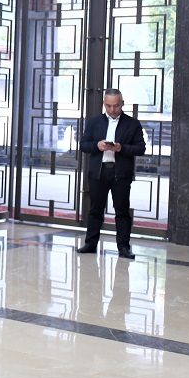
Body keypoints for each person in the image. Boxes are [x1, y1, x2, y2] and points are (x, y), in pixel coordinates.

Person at [76, 89, 146, 260]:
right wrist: (97, 146)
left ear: (122, 104)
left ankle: (124, 247)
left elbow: (140, 148)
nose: (112, 110)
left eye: (116, 106)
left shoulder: (133, 124)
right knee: (95, 210)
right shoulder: (94, 123)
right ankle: (90, 244)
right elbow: (83, 145)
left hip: (120, 173)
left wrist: (121, 148)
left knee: (122, 211)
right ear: (104, 104)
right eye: (108, 106)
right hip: (98, 172)